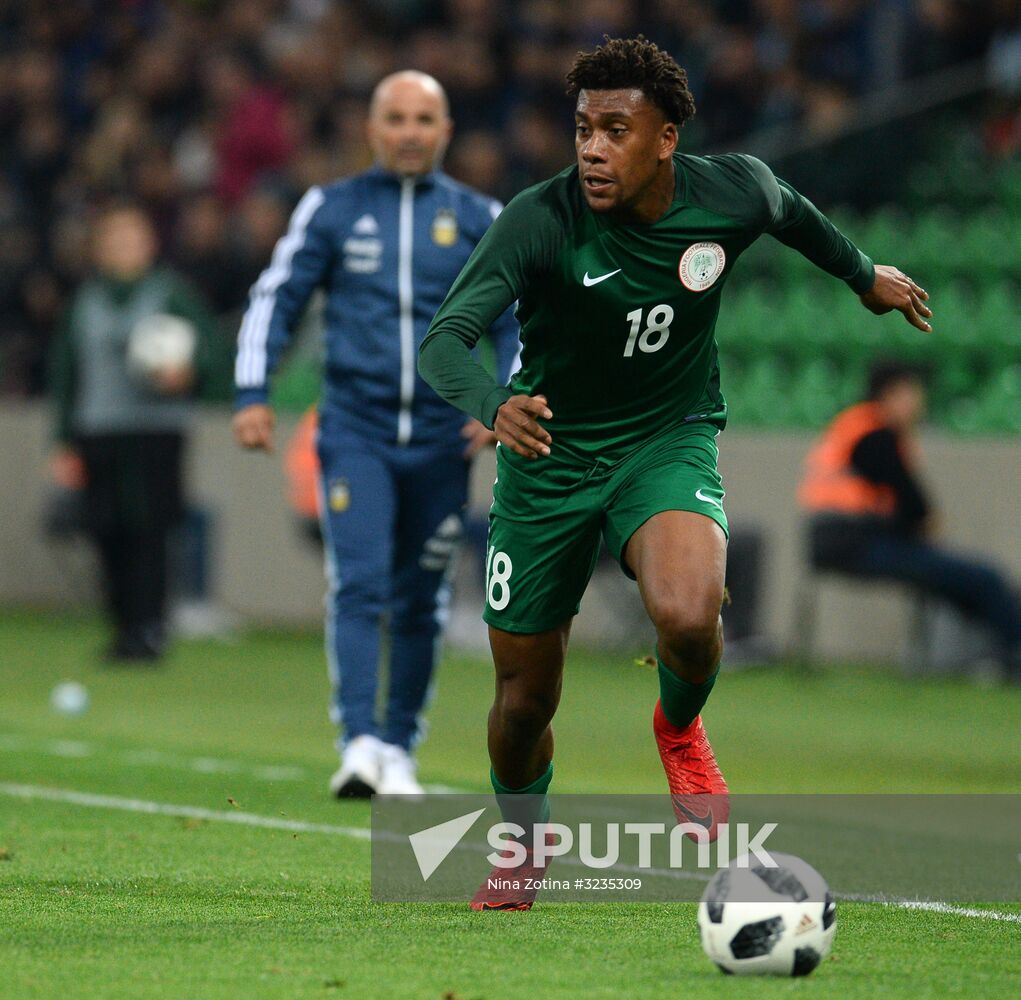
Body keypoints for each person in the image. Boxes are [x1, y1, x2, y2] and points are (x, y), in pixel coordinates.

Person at [417, 36, 932, 910]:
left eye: (615, 130)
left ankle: (679, 724)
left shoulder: (730, 190)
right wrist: (491, 404)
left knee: (690, 615)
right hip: (548, 460)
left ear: (664, 140)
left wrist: (861, 275)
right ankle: (525, 836)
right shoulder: (539, 219)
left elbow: (790, 209)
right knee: (520, 706)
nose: (590, 147)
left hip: (667, 438)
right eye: (582, 128)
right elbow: (444, 340)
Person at [233, 71, 521, 798]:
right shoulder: (330, 208)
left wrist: (499, 398)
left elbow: (519, 318)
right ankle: (359, 741)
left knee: (421, 597)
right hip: (354, 433)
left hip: (439, 440)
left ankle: (399, 748)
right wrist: (251, 390)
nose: (409, 132)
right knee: (358, 583)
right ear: (372, 127)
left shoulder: (481, 217)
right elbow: (279, 295)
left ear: (445, 130)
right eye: (395, 117)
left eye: (424, 118)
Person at [49, 201, 220, 664]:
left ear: (150, 245)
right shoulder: (84, 301)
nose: (122, 248)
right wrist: (63, 439)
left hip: (156, 430)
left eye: (131, 238)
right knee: (106, 530)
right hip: (98, 431)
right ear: (99, 249)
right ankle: (122, 626)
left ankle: (151, 628)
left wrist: (187, 374)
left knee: (152, 529)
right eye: (113, 239)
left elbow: (209, 349)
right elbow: (66, 371)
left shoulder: (171, 293)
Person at [800, 361, 1021, 678]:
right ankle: (1013, 654)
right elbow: (913, 505)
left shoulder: (854, 426)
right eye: (913, 392)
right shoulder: (875, 433)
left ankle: (987, 656)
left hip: (836, 540)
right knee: (987, 578)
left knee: (963, 581)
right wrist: (927, 522)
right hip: (857, 543)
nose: (919, 401)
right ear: (891, 394)